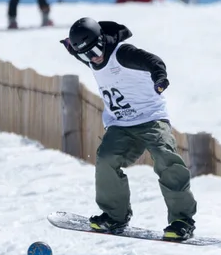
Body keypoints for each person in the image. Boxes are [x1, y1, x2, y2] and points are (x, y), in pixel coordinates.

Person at [60, 17, 197, 240]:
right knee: (106, 159)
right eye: (86, 55)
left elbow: (153, 61)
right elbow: (76, 50)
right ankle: (115, 216)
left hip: (151, 119)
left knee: (165, 157)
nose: (93, 58)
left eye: (94, 50)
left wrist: (160, 77)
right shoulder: (90, 56)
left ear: (102, 40)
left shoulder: (122, 54)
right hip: (121, 125)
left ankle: (182, 220)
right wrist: (70, 45)